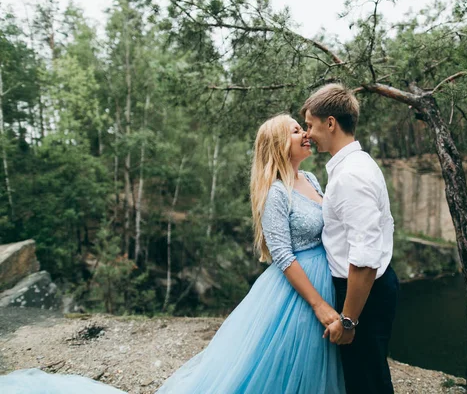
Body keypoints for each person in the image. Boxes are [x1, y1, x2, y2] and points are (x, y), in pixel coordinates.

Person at [0, 114, 345, 394]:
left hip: (325, 277)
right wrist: (318, 303)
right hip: (298, 291)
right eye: (295, 130)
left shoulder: (313, 179)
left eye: (303, 129)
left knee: (315, 364)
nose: (305, 134)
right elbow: (283, 256)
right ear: (277, 145)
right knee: (284, 366)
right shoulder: (276, 193)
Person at [302, 83, 400, 394]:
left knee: (367, 382)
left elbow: (364, 259)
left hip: (362, 292)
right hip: (365, 289)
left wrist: (349, 321)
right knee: (364, 375)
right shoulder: (352, 166)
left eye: (309, 125)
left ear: (330, 123)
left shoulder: (350, 176)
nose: (307, 134)